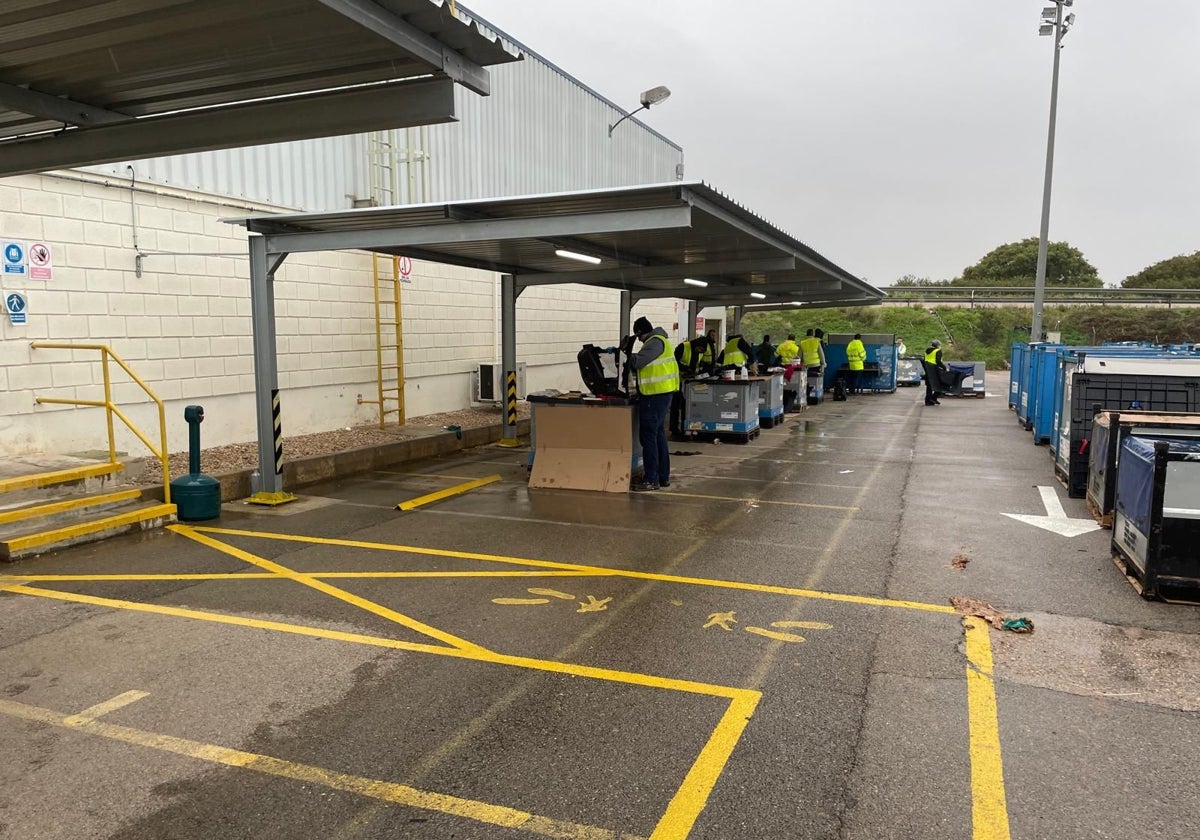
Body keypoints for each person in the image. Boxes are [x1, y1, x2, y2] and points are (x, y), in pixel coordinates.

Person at [626, 316, 679, 490]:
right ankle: (662, 477)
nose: (639, 341)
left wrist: (626, 353)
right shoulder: (660, 341)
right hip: (660, 394)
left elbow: (638, 362)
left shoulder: (654, 342)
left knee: (648, 436)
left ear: (642, 333)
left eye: (638, 337)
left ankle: (651, 479)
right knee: (658, 435)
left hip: (655, 395)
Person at [669, 336, 702, 439]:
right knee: (676, 406)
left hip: (689, 382)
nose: (700, 351)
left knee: (687, 406)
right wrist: (685, 369)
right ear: (697, 345)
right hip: (677, 381)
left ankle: (686, 428)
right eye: (700, 349)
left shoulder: (699, 353)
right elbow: (674, 362)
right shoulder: (683, 347)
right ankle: (674, 429)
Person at [799, 328, 826, 402]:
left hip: (806, 366)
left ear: (806, 335)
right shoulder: (817, 342)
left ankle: (806, 396)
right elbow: (821, 354)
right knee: (815, 382)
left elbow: (799, 356)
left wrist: (800, 364)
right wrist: (823, 363)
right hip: (816, 365)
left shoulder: (802, 343)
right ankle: (815, 394)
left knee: (806, 381)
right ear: (813, 334)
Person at [924, 339, 946, 406]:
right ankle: (934, 398)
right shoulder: (937, 351)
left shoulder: (927, 351)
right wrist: (944, 368)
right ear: (938, 345)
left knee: (929, 386)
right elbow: (938, 361)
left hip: (927, 370)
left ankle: (928, 401)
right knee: (940, 384)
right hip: (934, 370)